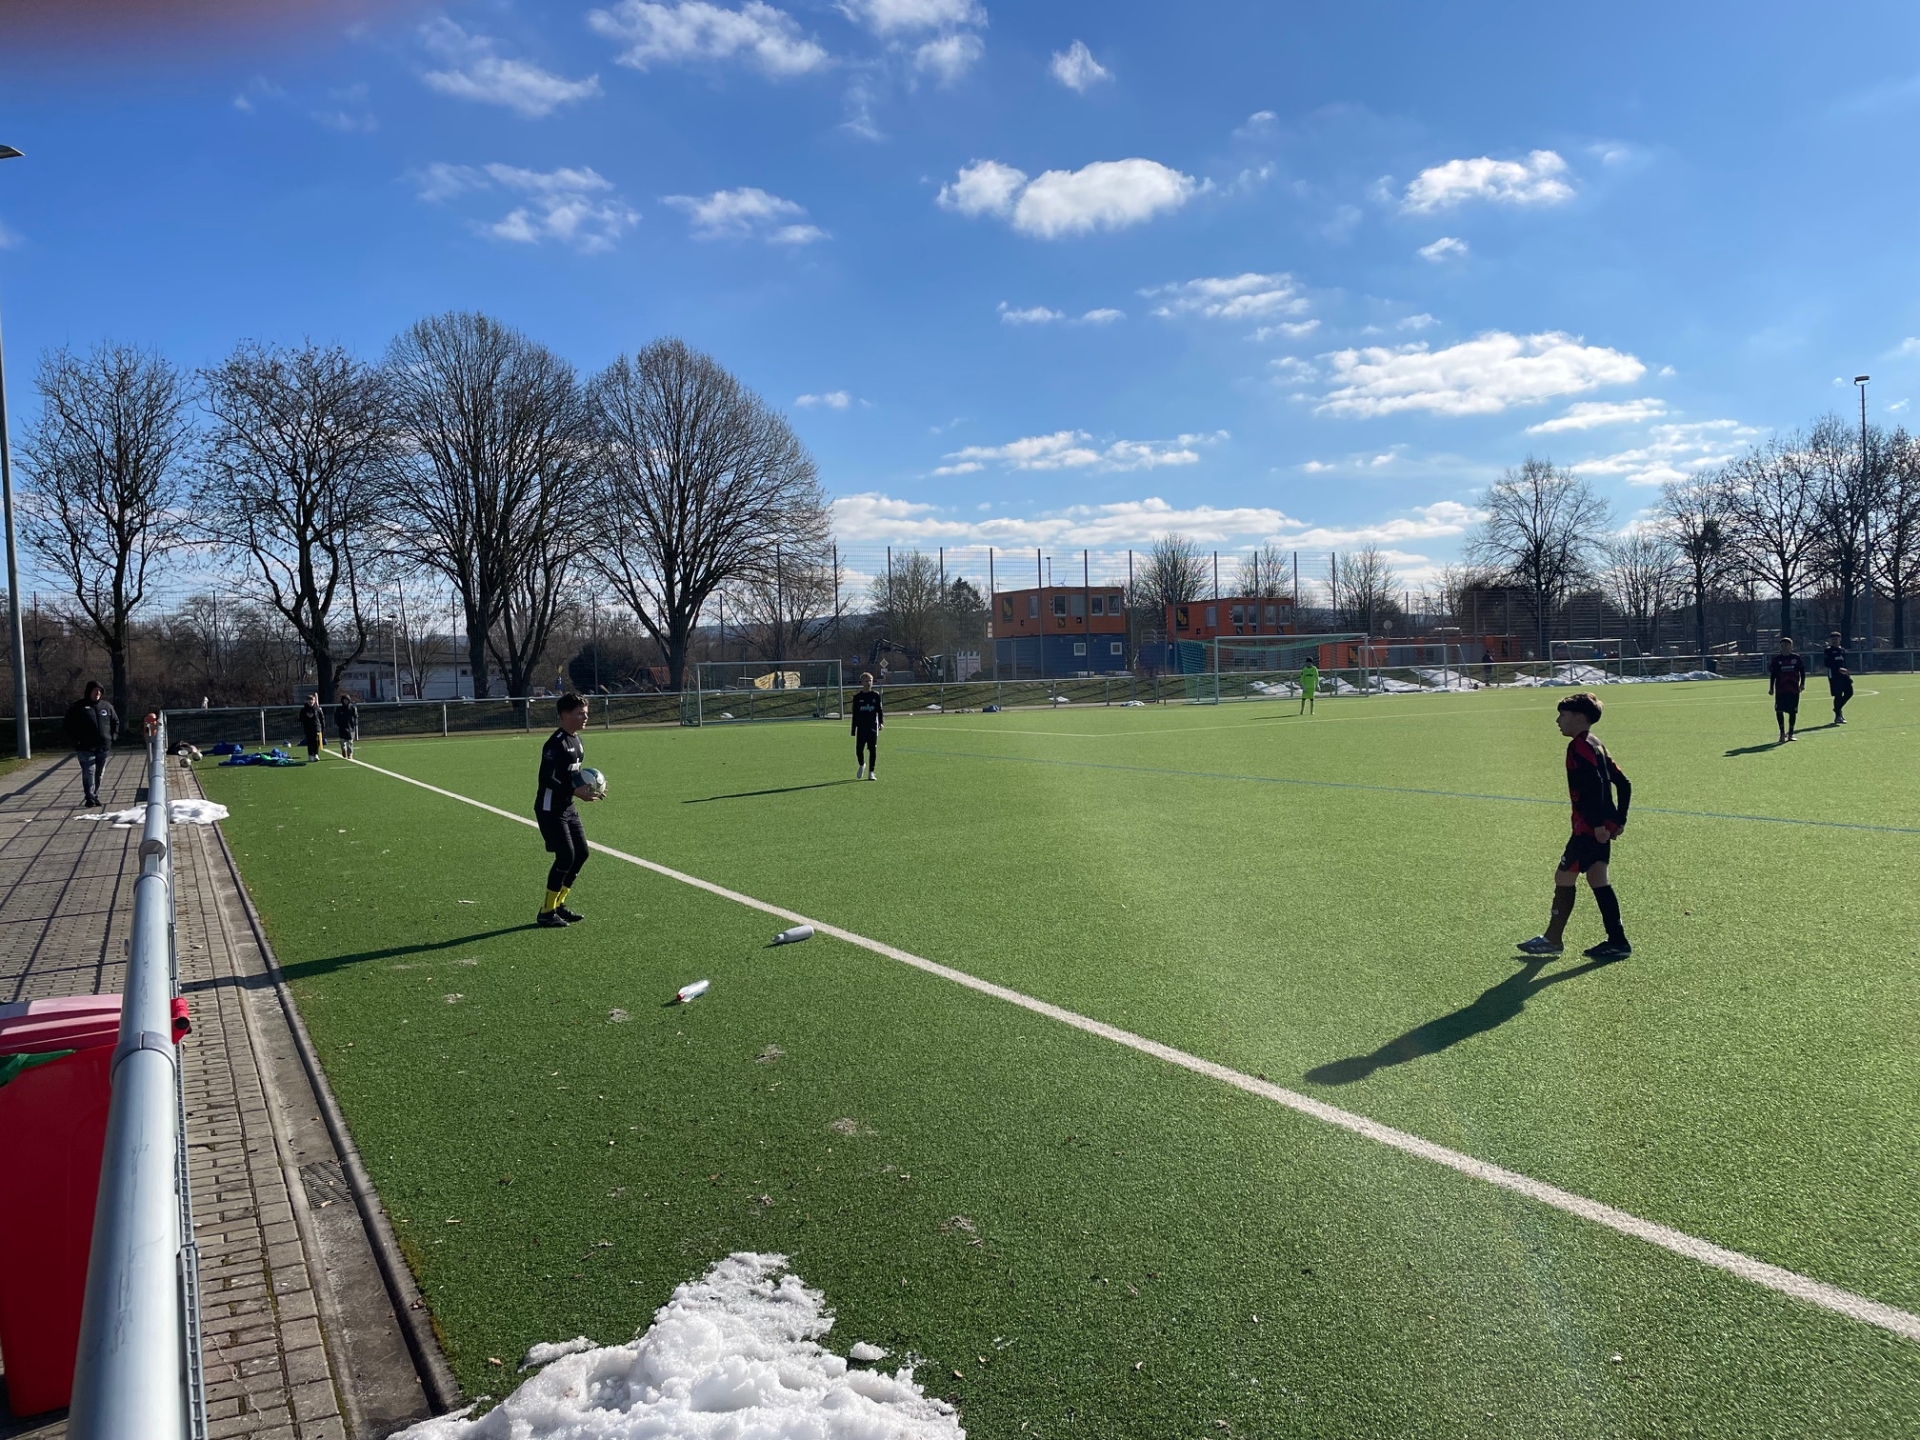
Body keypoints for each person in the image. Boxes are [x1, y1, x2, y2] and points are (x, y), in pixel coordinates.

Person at [1518, 692, 1633, 961]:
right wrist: (1618, 820)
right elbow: (1623, 783)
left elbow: (1595, 786)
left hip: (1587, 829)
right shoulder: (1596, 743)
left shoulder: (1579, 746)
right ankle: (1617, 940)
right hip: (1599, 827)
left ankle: (1552, 939)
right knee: (1598, 879)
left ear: (1579, 717)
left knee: (1563, 878)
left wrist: (1597, 824)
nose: (1558, 721)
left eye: (1563, 715)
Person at [535, 692, 600, 928]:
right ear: (564, 714)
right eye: (580, 713)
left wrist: (589, 787)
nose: (585, 717)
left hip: (567, 806)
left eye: (586, 713)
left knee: (581, 853)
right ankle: (546, 913)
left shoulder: (577, 741)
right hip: (550, 808)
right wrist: (574, 791)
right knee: (565, 856)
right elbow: (546, 779)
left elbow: (572, 775)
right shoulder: (555, 744)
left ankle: (558, 904)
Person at [63, 681, 118, 808]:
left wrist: (113, 737)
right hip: (85, 747)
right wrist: (76, 740)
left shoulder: (107, 706)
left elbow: (115, 721)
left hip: (103, 747)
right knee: (89, 771)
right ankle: (89, 797)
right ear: (89, 691)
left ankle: (94, 795)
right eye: (95, 690)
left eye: (99, 691)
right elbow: (68, 725)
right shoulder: (78, 707)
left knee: (99, 773)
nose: (97, 693)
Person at [1766, 635, 1809, 743]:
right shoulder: (1777, 660)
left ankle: (1790, 733)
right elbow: (1773, 675)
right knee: (1779, 710)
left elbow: (1802, 672)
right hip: (1781, 689)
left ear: (1791, 647)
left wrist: (1802, 683)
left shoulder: (1796, 658)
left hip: (1793, 689)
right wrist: (1771, 688)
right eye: (1782, 645)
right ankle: (1782, 733)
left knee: (1792, 711)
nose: (1784, 647)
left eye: (1786, 645)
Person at [851, 672, 884, 780]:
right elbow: (855, 714)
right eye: (866, 681)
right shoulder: (857, 697)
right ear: (862, 682)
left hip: (872, 727)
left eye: (870, 681)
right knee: (859, 750)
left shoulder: (875, 695)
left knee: (872, 749)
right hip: (861, 727)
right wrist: (853, 729)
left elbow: (879, 711)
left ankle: (871, 772)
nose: (869, 683)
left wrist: (881, 723)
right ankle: (862, 764)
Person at [1822, 631, 1853, 726]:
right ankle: (1838, 716)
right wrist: (1838, 669)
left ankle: (1837, 708)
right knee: (1838, 695)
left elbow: (1845, 664)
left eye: (1836, 639)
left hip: (1844, 675)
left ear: (1840, 639)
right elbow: (1827, 663)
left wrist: (1848, 675)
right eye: (1833, 639)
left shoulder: (1842, 650)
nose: (1834, 641)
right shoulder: (1828, 651)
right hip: (1834, 676)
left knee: (1849, 692)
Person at [334, 691, 360, 759]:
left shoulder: (352, 708)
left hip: (350, 727)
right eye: (344, 700)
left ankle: (350, 754)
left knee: (350, 741)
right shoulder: (339, 709)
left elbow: (356, 716)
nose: (345, 701)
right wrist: (337, 723)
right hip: (342, 727)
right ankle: (343, 749)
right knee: (342, 741)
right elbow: (336, 717)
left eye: (347, 700)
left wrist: (355, 722)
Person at [298, 692, 324, 760]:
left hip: (316, 727)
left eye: (312, 700)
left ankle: (316, 754)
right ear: (307, 701)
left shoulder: (317, 709)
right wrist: (307, 717)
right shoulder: (304, 710)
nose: (311, 701)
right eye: (309, 700)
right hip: (308, 728)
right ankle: (310, 755)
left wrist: (322, 727)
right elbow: (300, 719)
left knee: (316, 741)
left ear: (314, 701)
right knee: (310, 741)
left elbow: (321, 718)